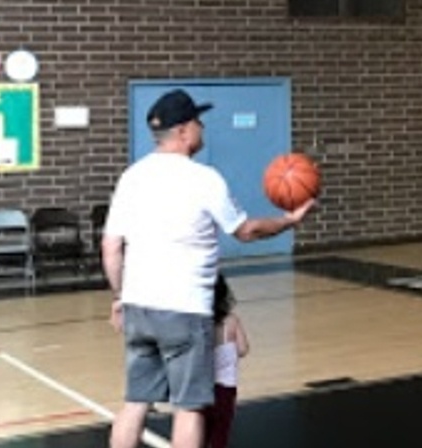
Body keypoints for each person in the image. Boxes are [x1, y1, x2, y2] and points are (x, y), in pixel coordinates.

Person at [102, 88, 314, 448]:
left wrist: (122, 296)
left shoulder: (131, 177)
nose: (202, 127)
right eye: (198, 121)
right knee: (190, 408)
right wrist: (288, 222)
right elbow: (246, 231)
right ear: (184, 130)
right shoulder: (204, 179)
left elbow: (111, 247)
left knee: (135, 402)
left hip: (139, 305)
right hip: (184, 309)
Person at [203, 274, 248, 448]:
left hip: (203, 389)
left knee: (201, 432)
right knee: (221, 433)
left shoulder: (201, 323)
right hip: (226, 390)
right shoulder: (232, 321)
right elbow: (243, 349)